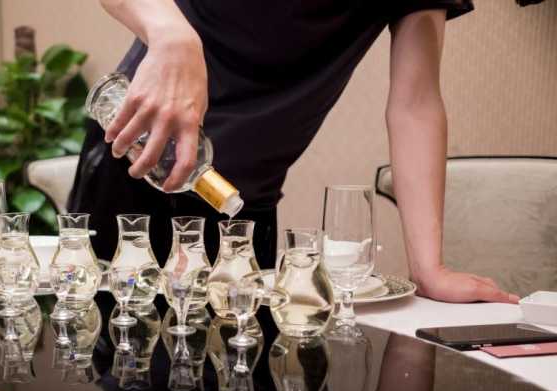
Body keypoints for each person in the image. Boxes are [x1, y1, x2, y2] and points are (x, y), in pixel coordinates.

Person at [68, 0, 519, 304]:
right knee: (117, 374)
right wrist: (171, 35)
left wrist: (430, 269)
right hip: (134, 168)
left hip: (243, 207)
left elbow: (415, 104)